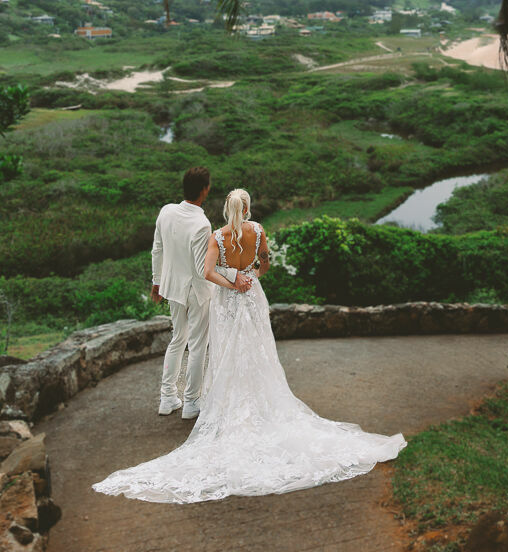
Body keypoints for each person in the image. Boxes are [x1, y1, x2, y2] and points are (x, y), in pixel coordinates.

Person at [93, 188, 405, 502]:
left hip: (228, 301)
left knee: (228, 351)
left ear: (226, 209)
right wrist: (250, 276)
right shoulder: (258, 231)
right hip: (253, 296)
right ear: (248, 208)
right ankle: (259, 400)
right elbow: (265, 262)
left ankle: (224, 401)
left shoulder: (218, 236)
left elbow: (207, 272)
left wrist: (232, 282)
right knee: (258, 350)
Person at [149, 166, 252, 420]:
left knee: (177, 339)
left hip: (172, 288)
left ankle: (167, 397)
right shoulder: (201, 224)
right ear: (205, 190)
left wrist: (156, 283)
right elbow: (203, 268)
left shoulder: (166, 212)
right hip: (196, 292)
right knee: (197, 346)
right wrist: (233, 277)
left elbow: (157, 250)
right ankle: (191, 402)